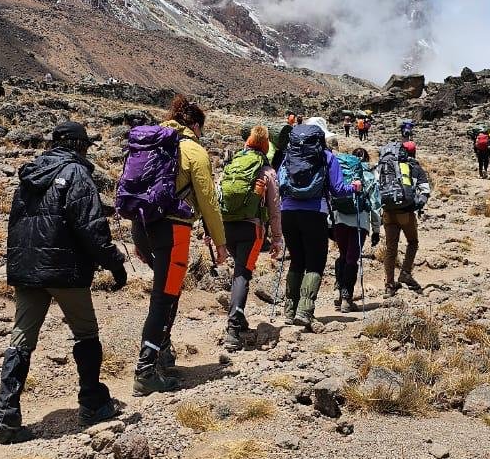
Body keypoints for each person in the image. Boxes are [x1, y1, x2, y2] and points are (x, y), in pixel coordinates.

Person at [0, 122, 127, 445]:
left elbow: (16, 224)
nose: (87, 150)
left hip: (28, 270)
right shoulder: (77, 174)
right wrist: (115, 264)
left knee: (20, 341)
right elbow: (91, 227)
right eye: (86, 145)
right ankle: (92, 402)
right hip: (64, 270)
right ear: (78, 145)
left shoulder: (29, 176)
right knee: (86, 333)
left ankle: (3, 418)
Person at [131, 95, 228, 394]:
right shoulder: (193, 151)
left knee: (165, 292)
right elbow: (209, 202)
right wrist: (220, 242)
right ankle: (146, 369)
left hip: (143, 226)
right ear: (195, 125)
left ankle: (162, 352)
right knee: (165, 296)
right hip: (174, 231)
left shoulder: (152, 144)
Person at [280, 117, 361, 330]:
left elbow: (281, 181)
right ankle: (305, 312)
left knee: (297, 260)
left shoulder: (290, 155)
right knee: (315, 262)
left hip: (287, 213)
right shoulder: (327, 157)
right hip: (314, 213)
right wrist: (354, 187)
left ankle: (289, 311)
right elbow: (338, 189)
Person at [221, 125, 283, 351]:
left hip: (227, 228)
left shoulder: (233, 165)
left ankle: (239, 317)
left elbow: (218, 197)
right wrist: (277, 239)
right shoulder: (267, 172)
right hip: (251, 229)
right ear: (266, 146)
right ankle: (233, 329)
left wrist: (211, 233)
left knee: (239, 272)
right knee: (242, 276)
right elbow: (275, 209)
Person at [332, 146, 381, 311]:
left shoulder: (341, 172)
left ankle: (338, 290)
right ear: (366, 160)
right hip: (359, 223)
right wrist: (376, 230)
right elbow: (375, 206)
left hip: (339, 219)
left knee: (343, 255)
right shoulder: (370, 177)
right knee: (352, 259)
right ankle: (347, 298)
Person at [381, 139, 430, 296]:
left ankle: (389, 284)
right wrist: (416, 205)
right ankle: (405, 273)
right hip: (406, 213)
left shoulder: (386, 167)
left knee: (391, 249)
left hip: (388, 212)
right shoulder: (415, 167)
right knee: (413, 242)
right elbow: (424, 191)